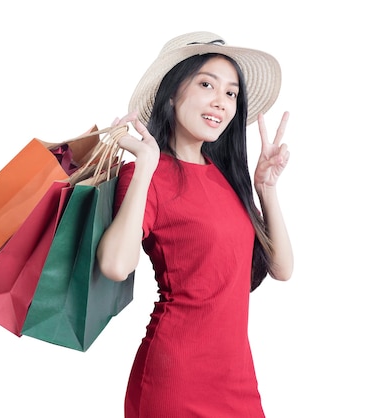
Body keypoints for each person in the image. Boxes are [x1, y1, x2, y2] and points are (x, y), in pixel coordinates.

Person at [97, 31, 293, 418]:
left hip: (237, 377)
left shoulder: (227, 178)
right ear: (171, 94)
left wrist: (265, 190)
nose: (221, 101)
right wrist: (146, 169)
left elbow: (282, 269)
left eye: (231, 93)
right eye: (207, 85)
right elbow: (115, 266)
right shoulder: (146, 175)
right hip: (175, 377)